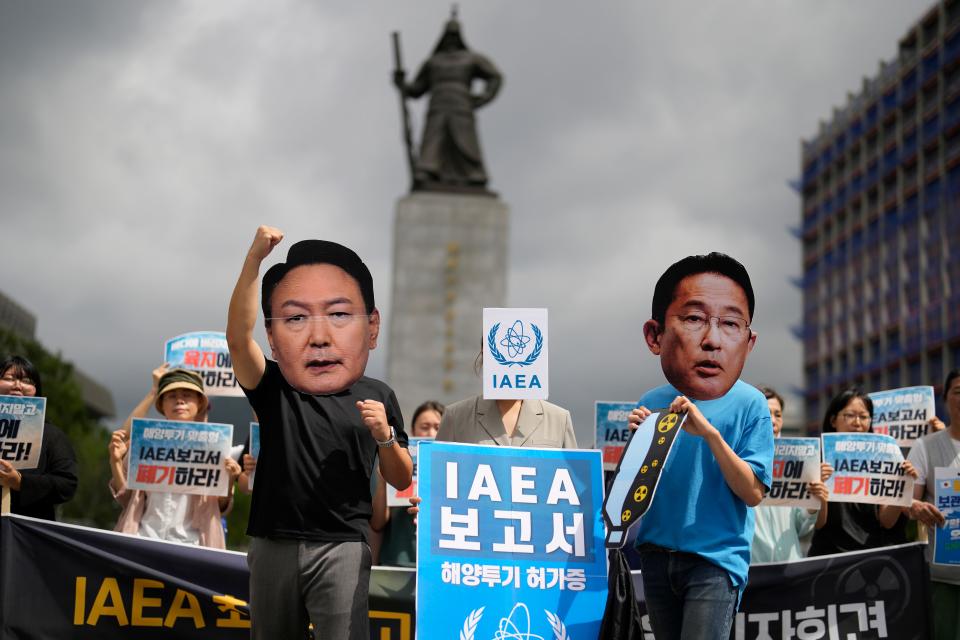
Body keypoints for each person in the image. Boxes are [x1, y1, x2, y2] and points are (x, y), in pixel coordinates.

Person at [226, 226, 412, 640]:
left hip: (343, 546)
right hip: (273, 542)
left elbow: (401, 478)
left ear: (371, 327)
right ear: (274, 339)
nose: (320, 336)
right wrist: (254, 259)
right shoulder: (275, 386)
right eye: (295, 318)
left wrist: (384, 435)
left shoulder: (378, 394)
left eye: (340, 315)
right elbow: (238, 341)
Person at [627, 252, 774, 640]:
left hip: (715, 562)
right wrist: (638, 445)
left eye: (730, 323)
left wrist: (709, 434)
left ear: (749, 340)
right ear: (654, 335)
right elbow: (636, 493)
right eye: (693, 319)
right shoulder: (652, 398)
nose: (712, 340)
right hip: (656, 556)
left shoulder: (751, 403)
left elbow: (754, 492)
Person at [108, 365, 241, 549]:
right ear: (161, 405)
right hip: (144, 540)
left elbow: (222, 507)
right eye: (171, 396)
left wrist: (230, 479)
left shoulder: (217, 448)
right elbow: (125, 499)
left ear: (199, 403)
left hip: (193, 546)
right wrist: (114, 462)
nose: (179, 400)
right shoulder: (146, 443)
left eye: (187, 394)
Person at [393, 11, 502, 191]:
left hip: (461, 102)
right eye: (449, 36)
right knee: (434, 137)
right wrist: (401, 84)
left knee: (464, 137)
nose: (451, 40)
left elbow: (495, 77)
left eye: (454, 36)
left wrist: (484, 98)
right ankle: (428, 170)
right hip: (438, 102)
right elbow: (416, 89)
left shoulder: (471, 58)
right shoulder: (433, 61)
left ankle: (473, 174)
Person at [808, 388, 912, 556]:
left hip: (870, 559)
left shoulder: (884, 457)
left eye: (863, 417)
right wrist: (819, 489)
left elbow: (887, 521)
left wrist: (903, 484)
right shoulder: (816, 459)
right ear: (833, 420)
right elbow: (818, 524)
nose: (857, 422)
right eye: (849, 415)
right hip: (827, 559)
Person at [897, 370, 959, 640]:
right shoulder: (926, 447)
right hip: (943, 579)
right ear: (946, 399)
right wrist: (916, 507)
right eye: (958, 391)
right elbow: (906, 500)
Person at [750, 387, 831, 563]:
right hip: (751, 569)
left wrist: (812, 502)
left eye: (778, 414)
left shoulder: (800, 461)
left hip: (789, 568)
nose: (772, 420)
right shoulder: (736, 458)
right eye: (765, 413)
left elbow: (802, 528)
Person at [0, 355, 78, 520]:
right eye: (8, 378)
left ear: (36, 390)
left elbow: (66, 484)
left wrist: (21, 483)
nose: (17, 386)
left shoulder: (52, 435)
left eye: (27, 381)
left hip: (26, 536)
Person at [371, 400, 443, 567]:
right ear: (413, 431)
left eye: (437, 427)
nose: (431, 433)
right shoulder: (395, 461)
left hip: (435, 564)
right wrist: (382, 484)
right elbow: (377, 522)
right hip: (396, 559)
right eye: (425, 427)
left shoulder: (454, 468)